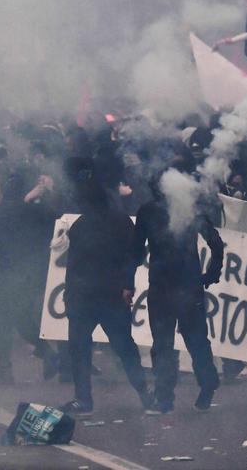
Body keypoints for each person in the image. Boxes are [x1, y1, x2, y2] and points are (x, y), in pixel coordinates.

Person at [134, 169, 223, 414]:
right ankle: (198, 386)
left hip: (170, 286)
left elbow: (136, 249)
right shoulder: (186, 208)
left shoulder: (152, 211)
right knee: (190, 341)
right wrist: (210, 274)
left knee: (168, 343)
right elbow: (215, 243)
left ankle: (167, 397)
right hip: (180, 285)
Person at [61, 175, 152, 417]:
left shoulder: (80, 225)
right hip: (110, 295)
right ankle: (146, 395)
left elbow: (74, 265)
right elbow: (135, 257)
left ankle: (83, 400)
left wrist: (68, 297)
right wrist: (127, 285)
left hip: (85, 297)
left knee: (80, 349)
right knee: (125, 348)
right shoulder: (121, 222)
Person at [0, 173, 59, 385]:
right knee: (22, 318)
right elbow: (59, 222)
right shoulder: (35, 210)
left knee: (3, 321)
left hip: (8, 273)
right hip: (33, 272)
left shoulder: (1, 213)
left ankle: (5, 370)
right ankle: (47, 353)